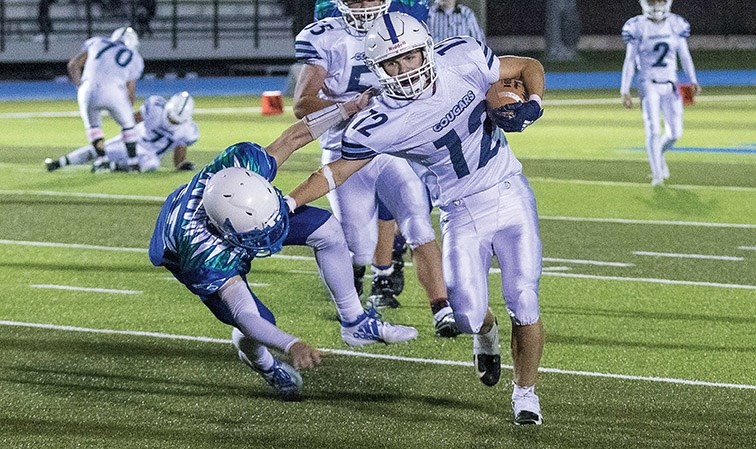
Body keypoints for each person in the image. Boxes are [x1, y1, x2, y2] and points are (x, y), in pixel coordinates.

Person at [287, 12, 546, 424]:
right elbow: (334, 171)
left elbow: (529, 67)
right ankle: (485, 333)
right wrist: (289, 202)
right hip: (459, 211)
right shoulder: (378, 121)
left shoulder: (462, 56)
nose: (402, 70)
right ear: (378, 68)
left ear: (424, 48)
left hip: (508, 191)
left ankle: (525, 394)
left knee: (524, 300)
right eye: (391, 63)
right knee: (466, 314)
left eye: (408, 58)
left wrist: (532, 106)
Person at [148, 91, 418, 401]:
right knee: (259, 326)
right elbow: (245, 315)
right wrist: (291, 344)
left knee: (326, 228)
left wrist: (346, 108)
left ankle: (355, 321)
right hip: (186, 250)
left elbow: (294, 137)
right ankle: (265, 366)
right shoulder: (202, 254)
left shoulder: (244, 167)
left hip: (230, 216)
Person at [294, 0, 459, 338]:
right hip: (344, 147)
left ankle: (441, 307)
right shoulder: (326, 36)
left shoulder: (402, 27)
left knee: (417, 216)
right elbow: (302, 104)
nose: (366, 5)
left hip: (390, 145)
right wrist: (351, 107)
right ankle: (353, 289)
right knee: (359, 242)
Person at [621, 0, 700, 186]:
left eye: (660, 1)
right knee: (653, 129)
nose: (656, 5)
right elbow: (630, 60)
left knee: (675, 134)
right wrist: (624, 89)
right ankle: (657, 174)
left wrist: (693, 79)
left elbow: (685, 55)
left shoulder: (676, 24)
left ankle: (659, 153)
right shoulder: (637, 26)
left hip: (671, 83)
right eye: (652, 1)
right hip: (648, 82)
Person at [45, 91, 199, 173]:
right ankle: (59, 163)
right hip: (136, 139)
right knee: (97, 150)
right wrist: (127, 132)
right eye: (170, 117)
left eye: (175, 121)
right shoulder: (155, 106)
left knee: (152, 165)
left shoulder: (188, 130)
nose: (171, 122)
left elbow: (180, 151)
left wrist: (180, 165)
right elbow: (133, 119)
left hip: (149, 154)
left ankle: (113, 167)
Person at [67, 26, 144, 173]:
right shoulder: (135, 57)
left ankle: (102, 161)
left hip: (88, 88)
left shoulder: (98, 43)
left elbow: (73, 64)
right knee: (128, 126)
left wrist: (80, 86)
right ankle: (134, 163)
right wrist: (126, 109)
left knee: (94, 127)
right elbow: (131, 89)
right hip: (115, 90)